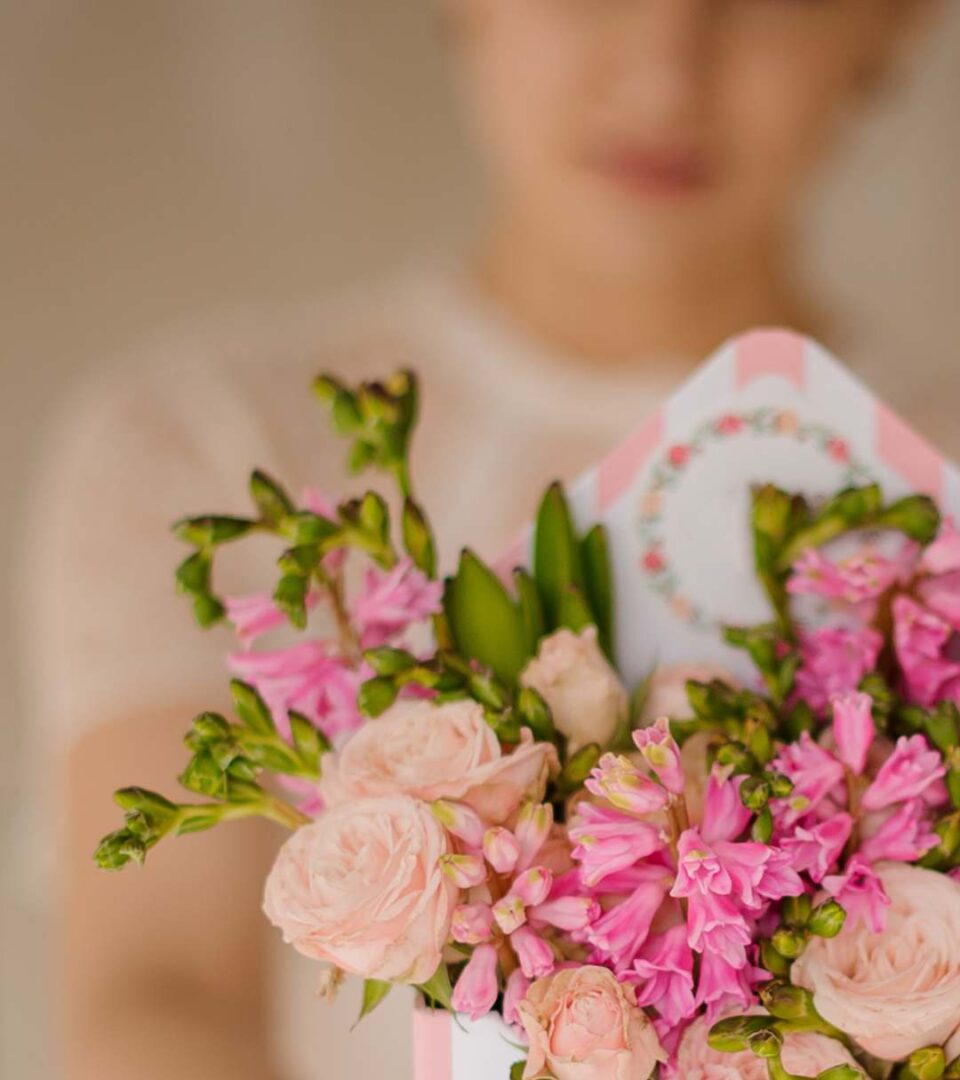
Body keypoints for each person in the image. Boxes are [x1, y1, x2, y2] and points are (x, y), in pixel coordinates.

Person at [25, 2, 945, 1078]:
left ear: (895, 24)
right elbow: (162, 992)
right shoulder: (206, 447)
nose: (664, 69)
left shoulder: (943, 492)